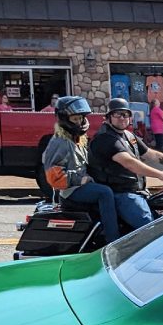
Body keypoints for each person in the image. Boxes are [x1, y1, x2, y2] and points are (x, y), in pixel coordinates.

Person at [87, 98, 163, 230]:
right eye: (117, 114)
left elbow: (151, 154)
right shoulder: (106, 138)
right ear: (108, 117)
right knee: (151, 229)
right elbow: (130, 163)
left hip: (137, 191)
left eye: (125, 114)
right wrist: (160, 174)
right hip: (121, 193)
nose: (122, 118)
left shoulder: (128, 135)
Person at [42, 96, 120, 243]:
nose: (79, 122)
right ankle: (113, 240)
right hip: (71, 190)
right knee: (105, 193)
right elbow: (53, 175)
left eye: (80, 118)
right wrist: (79, 179)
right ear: (65, 118)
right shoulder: (60, 142)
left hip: (82, 185)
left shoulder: (77, 138)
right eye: (74, 119)